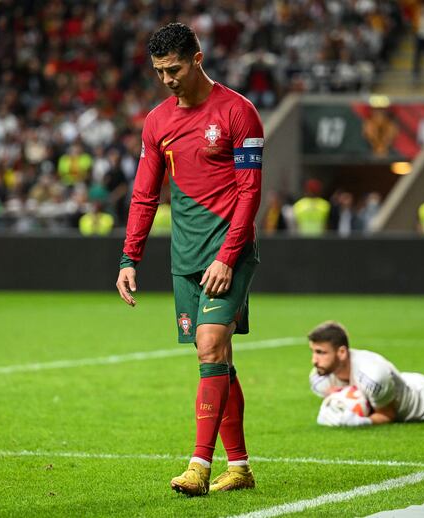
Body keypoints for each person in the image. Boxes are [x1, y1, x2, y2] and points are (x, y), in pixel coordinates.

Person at [115, 23, 262, 497]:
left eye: (174, 68)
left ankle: (199, 465)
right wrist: (129, 256)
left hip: (230, 254)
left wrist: (227, 255)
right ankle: (238, 467)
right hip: (185, 258)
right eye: (158, 71)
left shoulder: (240, 112)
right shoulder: (157, 122)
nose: (167, 79)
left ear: (197, 58)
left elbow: (250, 192)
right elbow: (144, 193)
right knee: (219, 358)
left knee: (209, 347)